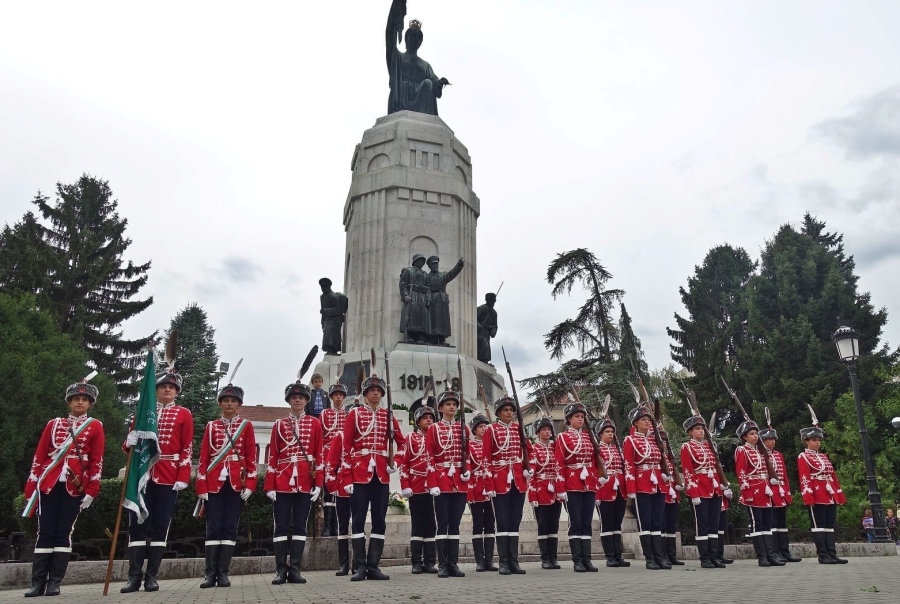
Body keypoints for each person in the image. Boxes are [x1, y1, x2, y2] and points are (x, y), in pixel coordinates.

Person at [23, 379, 105, 597]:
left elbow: (97, 460)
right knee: (45, 532)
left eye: (84, 400)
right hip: (49, 483)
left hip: (75, 486)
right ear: (69, 402)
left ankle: (54, 582)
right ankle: (37, 582)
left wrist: (91, 490)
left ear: (90, 404)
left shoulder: (95, 426)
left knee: (64, 532)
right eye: (76, 399)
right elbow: (39, 456)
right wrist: (32, 486)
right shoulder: (54, 424)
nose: (80, 402)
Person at [121, 370, 194, 593]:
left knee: (160, 526)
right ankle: (134, 577)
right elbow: (131, 448)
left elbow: (187, 448)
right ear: (155, 390)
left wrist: (183, 476)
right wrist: (128, 441)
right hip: (143, 476)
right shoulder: (143, 413)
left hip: (168, 476)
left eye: (172, 387)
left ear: (176, 392)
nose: (167, 389)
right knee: (137, 526)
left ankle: (152, 576)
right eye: (163, 386)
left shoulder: (183, 414)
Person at [342, 374, 406, 581]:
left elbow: (402, 443)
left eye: (378, 391)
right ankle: (359, 566)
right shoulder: (355, 414)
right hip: (360, 474)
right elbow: (346, 447)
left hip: (381, 475)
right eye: (371, 390)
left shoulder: (388, 416)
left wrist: (395, 462)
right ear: (365, 393)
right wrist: (346, 478)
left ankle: (373, 566)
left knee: (380, 520)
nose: (375, 393)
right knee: (358, 520)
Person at [195, 383, 258, 588]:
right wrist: (201, 486)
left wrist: (250, 484)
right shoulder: (211, 426)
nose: (229, 404)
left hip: (235, 484)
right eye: (226, 401)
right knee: (213, 528)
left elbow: (251, 457)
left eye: (233, 401)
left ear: (239, 404)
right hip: (214, 484)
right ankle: (209, 573)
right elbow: (203, 459)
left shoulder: (246, 426)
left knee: (230, 527)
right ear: (220, 403)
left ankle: (223, 573)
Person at [265, 381, 323, 585]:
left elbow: (319, 454)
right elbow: (272, 455)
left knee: (300, 526)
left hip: (305, 481)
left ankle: (295, 569)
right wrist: (269, 485)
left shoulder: (315, 424)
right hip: (282, 480)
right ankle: (280, 570)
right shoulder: (279, 424)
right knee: (280, 526)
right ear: (289, 400)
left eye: (301, 397)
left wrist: (318, 483)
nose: (297, 400)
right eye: (293, 397)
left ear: (307, 401)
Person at [483, 396, 532, 575]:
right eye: (506, 410)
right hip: (499, 480)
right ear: (498, 413)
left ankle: (514, 561)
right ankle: (503, 562)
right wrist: (488, 484)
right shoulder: (491, 430)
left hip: (517, 480)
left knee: (514, 521)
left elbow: (529, 451)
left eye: (511, 410)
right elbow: (486, 458)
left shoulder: (519, 429)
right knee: (502, 522)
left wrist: (529, 469)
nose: (509, 412)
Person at [426, 390, 471, 578]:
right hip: (442, 480)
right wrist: (432, 482)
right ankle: (442, 564)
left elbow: (467, 454)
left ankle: (453, 563)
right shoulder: (434, 429)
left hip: (459, 482)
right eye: (448, 404)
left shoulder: (464, 428)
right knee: (442, 523)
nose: (452, 407)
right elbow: (429, 456)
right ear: (441, 408)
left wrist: (467, 470)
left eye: (454, 404)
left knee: (455, 524)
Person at [555, 403, 601, 572]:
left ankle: (587, 560)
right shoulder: (563, 438)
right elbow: (559, 463)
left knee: (586, 522)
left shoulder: (591, 437)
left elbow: (597, 461)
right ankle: (577, 561)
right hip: (572, 484)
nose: (580, 419)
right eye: (577, 416)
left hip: (588, 484)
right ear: (569, 419)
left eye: (582, 417)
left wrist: (597, 480)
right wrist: (560, 487)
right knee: (575, 522)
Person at [623, 403, 669, 570]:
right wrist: (631, 489)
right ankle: (650, 558)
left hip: (657, 483)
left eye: (648, 419)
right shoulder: (630, 440)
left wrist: (665, 477)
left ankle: (659, 557)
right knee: (645, 523)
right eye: (643, 419)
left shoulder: (654, 439)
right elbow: (629, 465)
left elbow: (661, 460)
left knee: (657, 522)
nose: (647, 422)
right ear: (635, 422)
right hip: (642, 484)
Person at [386, 1, 451, 115]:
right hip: (401, 97)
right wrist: (395, 13)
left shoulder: (425, 65)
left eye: (419, 38)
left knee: (427, 83)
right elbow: (390, 37)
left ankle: (425, 120)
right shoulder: (398, 58)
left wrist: (439, 83)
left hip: (422, 100)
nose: (416, 39)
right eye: (413, 36)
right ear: (407, 38)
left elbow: (433, 80)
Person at [798, 416, 847, 564]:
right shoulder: (803, 456)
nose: (817, 442)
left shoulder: (824, 457)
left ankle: (832, 553)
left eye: (819, 439)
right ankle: (823, 555)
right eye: (814, 440)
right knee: (819, 525)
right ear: (806, 441)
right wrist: (808, 496)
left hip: (829, 493)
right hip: (816, 493)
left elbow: (833, 476)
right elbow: (804, 478)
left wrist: (838, 494)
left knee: (829, 524)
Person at [735, 420, 784, 567]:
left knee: (767, 523)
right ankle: (762, 556)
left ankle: (770, 554)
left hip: (765, 490)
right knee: (758, 523)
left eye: (756, 433)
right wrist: (746, 492)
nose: (755, 436)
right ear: (744, 437)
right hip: (753, 490)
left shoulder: (760, 451)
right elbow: (742, 473)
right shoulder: (742, 450)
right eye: (751, 434)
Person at [398, 405, 439, 575]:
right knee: (418, 525)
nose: (429, 420)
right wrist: (405, 485)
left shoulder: (437, 437)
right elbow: (404, 463)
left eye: (431, 417)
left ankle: (430, 561)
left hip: (434, 487)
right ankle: (416, 561)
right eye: (425, 417)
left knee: (431, 525)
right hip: (416, 486)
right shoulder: (411, 437)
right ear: (418, 421)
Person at [680, 414, 723, 569]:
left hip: (713, 488)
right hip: (700, 489)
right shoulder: (687, 447)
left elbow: (716, 468)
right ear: (690, 432)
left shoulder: (709, 446)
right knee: (703, 524)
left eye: (702, 428)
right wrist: (693, 492)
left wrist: (721, 486)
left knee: (714, 524)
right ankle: (705, 558)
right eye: (697, 429)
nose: (701, 431)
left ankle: (714, 556)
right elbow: (688, 471)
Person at [324, 398, 360, 577]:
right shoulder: (340, 435)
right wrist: (332, 486)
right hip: (342, 489)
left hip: (361, 487)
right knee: (343, 526)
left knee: (358, 526)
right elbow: (331, 462)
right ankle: (344, 564)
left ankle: (356, 564)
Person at [759, 415, 801, 562]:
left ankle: (785, 552)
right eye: (770, 439)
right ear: (763, 441)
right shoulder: (760, 455)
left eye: (774, 439)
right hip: (769, 492)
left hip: (780, 491)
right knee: (772, 523)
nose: (773, 441)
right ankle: (774, 552)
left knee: (782, 524)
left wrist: (787, 492)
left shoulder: (778, 455)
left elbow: (784, 475)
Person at [594, 417, 630, 568]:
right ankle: (610, 556)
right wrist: (596, 493)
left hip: (620, 490)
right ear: (600, 434)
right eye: (607, 432)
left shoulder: (618, 450)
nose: (610, 434)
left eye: (612, 432)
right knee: (607, 524)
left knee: (617, 523)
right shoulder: (597, 450)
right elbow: (595, 471)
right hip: (604, 490)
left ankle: (618, 555)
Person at [528, 416, 561, 570]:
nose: (547, 432)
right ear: (538, 432)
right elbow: (532, 475)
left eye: (549, 429)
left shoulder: (556, 448)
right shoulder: (534, 449)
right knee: (543, 525)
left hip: (555, 489)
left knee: (554, 525)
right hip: (541, 489)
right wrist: (533, 495)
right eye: (544, 430)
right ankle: (545, 558)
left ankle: (553, 557)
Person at [467, 413, 498, 572]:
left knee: (490, 525)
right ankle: (479, 560)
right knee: (478, 525)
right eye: (480, 426)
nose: (484, 429)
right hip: (477, 489)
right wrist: (470, 493)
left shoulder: (493, 445)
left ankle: (489, 560)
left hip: (491, 490)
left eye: (486, 426)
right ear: (474, 429)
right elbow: (470, 470)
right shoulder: (470, 446)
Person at [320, 381, 349, 537]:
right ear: (331, 397)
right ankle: (327, 526)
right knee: (328, 493)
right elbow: (320, 436)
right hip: (327, 456)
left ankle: (338, 524)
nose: (338, 397)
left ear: (344, 397)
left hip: (343, 457)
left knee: (341, 491)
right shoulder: (324, 414)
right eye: (335, 395)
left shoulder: (349, 413)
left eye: (340, 395)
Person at [657, 427, 685, 567]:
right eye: (661, 441)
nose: (663, 444)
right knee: (661, 526)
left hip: (672, 495)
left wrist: (678, 486)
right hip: (662, 495)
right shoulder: (658, 459)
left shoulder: (669, 459)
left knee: (671, 527)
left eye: (665, 442)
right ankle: (663, 555)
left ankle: (671, 555)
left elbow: (673, 476)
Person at [424, 256, 464, 345]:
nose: (435, 265)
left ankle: (442, 339)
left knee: (443, 321)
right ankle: (432, 338)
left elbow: (452, 274)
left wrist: (459, 265)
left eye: (436, 263)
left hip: (442, 300)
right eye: (433, 264)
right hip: (431, 299)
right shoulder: (426, 277)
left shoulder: (443, 275)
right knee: (432, 320)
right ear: (429, 266)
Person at [399, 254, 429, 343]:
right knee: (411, 316)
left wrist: (427, 299)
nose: (422, 262)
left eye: (423, 260)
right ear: (415, 261)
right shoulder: (409, 271)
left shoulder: (425, 274)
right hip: (413, 294)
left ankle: (418, 336)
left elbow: (428, 287)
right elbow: (403, 284)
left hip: (422, 296)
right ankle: (409, 336)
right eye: (420, 260)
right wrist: (405, 295)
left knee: (421, 316)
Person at [319, 278, 348, 355]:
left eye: (325, 286)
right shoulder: (322, 297)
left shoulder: (333, 296)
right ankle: (329, 349)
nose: (323, 288)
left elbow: (338, 309)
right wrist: (322, 322)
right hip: (327, 320)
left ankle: (333, 350)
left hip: (334, 320)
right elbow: (323, 311)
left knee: (332, 336)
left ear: (329, 287)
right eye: (322, 287)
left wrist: (326, 311)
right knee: (326, 335)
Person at [476, 293, 498, 364]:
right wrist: (479, 326)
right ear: (487, 300)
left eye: (494, 300)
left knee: (487, 345)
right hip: (480, 331)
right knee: (483, 344)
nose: (493, 302)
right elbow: (473, 318)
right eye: (491, 300)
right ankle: (483, 360)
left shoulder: (494, 313)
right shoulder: (481, 308)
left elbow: (495, 325)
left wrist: (493, 331)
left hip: (487, 332)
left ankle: (485, 360)